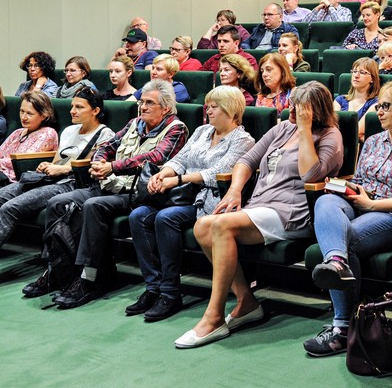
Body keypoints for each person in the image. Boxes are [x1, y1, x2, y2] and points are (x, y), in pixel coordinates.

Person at [174, 81, 343, 349]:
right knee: (202, 227)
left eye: (298, 106)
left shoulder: (330, 136)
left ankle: (215, 316)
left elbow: (311, 175)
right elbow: (246, 161)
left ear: (313, 110)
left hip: (292, 211)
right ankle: (246, 301)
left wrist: (305, 129)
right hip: (260, 204)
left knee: (218, 227)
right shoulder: (281, 129)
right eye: (292, 103)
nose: (290, 108)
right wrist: (235, 191)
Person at [304, 81, 392, 357]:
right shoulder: (374, 141)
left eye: (387, 106)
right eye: (379, 106)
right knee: (327, 200)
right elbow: (362, 180)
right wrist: (352, 189)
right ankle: (337, 263)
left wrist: (373, 203)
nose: (380, 112)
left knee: (346, 238)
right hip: (363, 204)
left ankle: (341, 327)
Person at [41, 80, 189, 309]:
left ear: (166, 108)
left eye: (150, 103)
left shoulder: (176, 129)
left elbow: (156, 158)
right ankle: (61, 272)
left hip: (137, 193)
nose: (143, 107)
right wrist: (100, 162)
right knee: (57, 203)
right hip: (109, 184)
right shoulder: (135, 123)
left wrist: (113, 167)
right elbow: (107, 145)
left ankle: (88, 279)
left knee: (93, 205)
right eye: (142, 102)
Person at [126, 86, 255, 322]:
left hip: (206, 198)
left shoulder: (243, 140)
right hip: (177, 192)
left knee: (166, 218)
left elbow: (219, 171)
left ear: (231, 110)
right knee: (139, 215)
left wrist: (177, 179)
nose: (209, 111)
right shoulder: (202, 131)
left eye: (214, 107)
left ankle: (170, 293)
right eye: (208, 106)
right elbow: (180, 158)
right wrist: (162, 174)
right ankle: (153, 287)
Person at [1, 88, 114, 257]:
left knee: (10, 208)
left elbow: (94, 166)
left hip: (71, 183)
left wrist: (62, 169)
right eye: (72, 106)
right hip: (49, 178)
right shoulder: (69, 130)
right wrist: (47, 165)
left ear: (95, 111)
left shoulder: (105, 134)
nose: (72, 111)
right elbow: (57, 159)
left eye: (79, 107)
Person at [0, 91, 58, 183]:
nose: (23, 117)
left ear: (44, 115)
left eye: (29, 114)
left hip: (15, 179)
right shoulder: (17, 132)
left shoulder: (48, 133)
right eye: (22, 111)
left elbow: (22, 161)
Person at [334, 57, 380, 141]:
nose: (356, 75)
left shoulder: (375, 103)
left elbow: (357, 131)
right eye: (354, 71)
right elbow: (332, 128)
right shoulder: (339, 100)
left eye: (362, 72)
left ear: (372, 79)